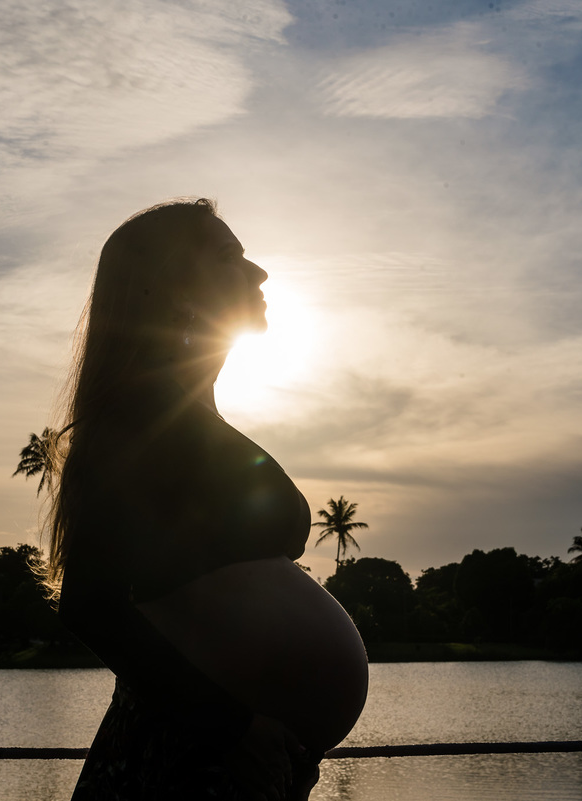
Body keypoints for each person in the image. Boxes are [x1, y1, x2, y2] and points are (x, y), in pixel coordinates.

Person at [44, 199, 369, 801]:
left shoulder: (189, 417)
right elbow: (91, 605)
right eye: (229, 257)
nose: (259, 272)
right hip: (187, 760)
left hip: (234, 761)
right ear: (176, 290)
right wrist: (232, 728)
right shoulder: (138, 420)